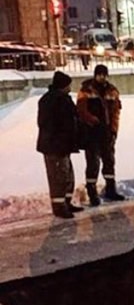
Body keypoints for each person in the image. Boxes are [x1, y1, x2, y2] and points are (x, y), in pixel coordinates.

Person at [36, 71, 83, 219]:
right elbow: (51, 124)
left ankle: (65, 203)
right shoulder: (53, 101)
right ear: (62, 85)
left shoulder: (61, 99)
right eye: (68, 85)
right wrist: (61, 140)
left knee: (67, 176)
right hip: (55, 146)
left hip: (63, 145)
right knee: (58, 177)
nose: (70, 88)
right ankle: (59, 207)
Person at [77, 64, 125, 205]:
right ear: (95, 75)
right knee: (93, 163)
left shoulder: (112, 91)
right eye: (99, 74)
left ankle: (111, 189)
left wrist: (114, 131)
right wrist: (93, 121)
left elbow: (116, 113)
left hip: (107, 133)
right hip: (91, 133)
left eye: (104, 74)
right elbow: (81, 110)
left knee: (109, 161)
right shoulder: (86, 90)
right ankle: (92, 192)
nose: (102, 77)